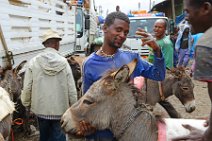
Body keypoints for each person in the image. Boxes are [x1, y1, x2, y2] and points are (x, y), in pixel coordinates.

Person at [81, 11, 166, 141]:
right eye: (118, 30)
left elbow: (159, 75)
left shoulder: (131, 58)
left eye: (126, 32)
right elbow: (87, 100)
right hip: (103, 132)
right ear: (104, 28)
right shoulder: (90, 63)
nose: (122, 35)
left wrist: (157, 50)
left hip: (129, 130)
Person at [21, 29, 77, 141]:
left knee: (44, 137)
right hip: (60, 110)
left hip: (41, 111)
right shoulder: (64, 62)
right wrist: (74, 107)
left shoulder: (33, 62)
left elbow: (27, 87)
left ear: (45, 44)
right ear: (56, 43)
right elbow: (71, 89)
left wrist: (26, 103)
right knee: (59, 136)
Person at [172, 0, 212, 141]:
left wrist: (207, 135)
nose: (186, 18)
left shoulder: (207, 44)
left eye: (187, 12)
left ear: (205, 8)